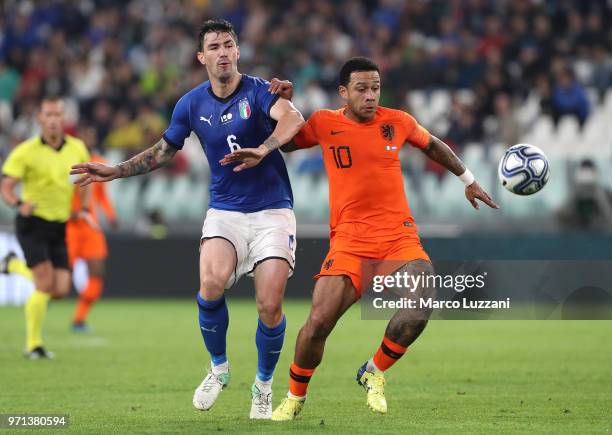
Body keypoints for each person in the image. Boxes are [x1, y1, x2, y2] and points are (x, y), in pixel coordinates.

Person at [220, 57, 499, 419]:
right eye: (362, 89)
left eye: (375, 88)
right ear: (343, 92)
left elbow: (433, 146)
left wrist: (469, 180)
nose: (370, 96)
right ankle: (294, 395)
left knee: (421, 301)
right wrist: (282, 105)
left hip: (397, 238)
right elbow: (285, 142)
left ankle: (375, 371)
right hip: (349, 241)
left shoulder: (397, 122)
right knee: (318, 324)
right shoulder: (324, 122)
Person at [70, 19, 304, 419]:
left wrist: (264, 149)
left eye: (229, 44)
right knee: (211, 283)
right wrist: (116, 170)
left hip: (272, 211)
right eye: (214, 46)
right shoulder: (191, 104)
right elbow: (162, 152)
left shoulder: (260, 90)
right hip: (226, 211)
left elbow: (293, 118)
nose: (223, 52)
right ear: (202, 57)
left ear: (238, 51)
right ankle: (219, 368)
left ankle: (263, 387)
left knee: (269, 304)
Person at [0, 96, 92, 359]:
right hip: (32, 223)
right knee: (44, 283)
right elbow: (5, 186)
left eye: (57, 115)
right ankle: (33, 345)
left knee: (61, 289)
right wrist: (18, 203)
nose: (53, 120)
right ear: (40, 118)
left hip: (59, 224)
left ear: (64, 119)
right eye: (48, 115)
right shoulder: (25, 151)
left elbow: (87, 178)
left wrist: (83, 209)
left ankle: (13, 266)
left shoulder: (77, 147)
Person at [66, 125, 118, 332]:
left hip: (91, 227)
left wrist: (111, 215)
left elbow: (101, 195)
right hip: (68, 226)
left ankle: (79, 319)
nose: (89, 139)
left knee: (97, 272)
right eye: (85, 135)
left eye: (92, 135)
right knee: (59, 279)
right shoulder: (67, 163)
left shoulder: (101, 163)